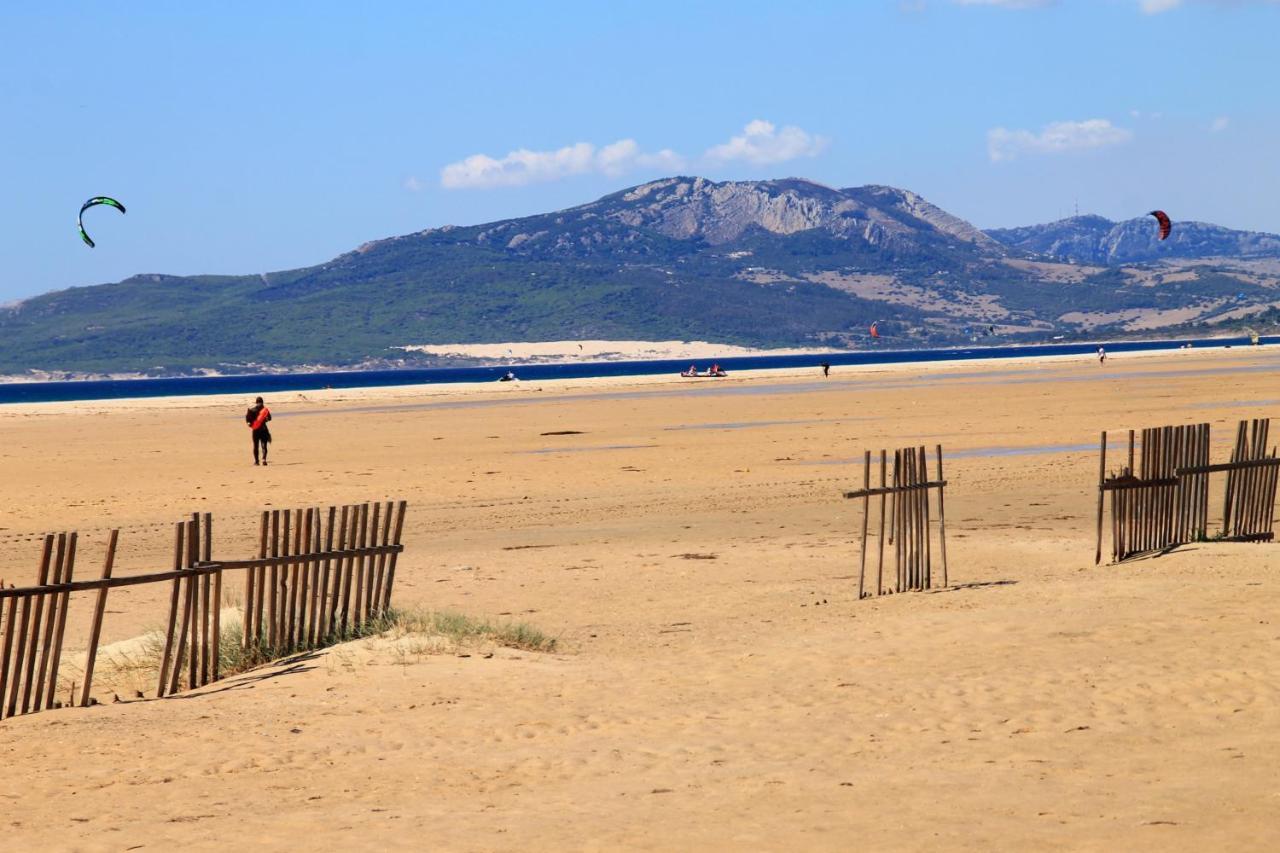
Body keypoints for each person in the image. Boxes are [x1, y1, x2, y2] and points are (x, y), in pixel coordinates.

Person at [245, 396, 272, 465]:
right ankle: (264, 459)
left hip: (255, 430)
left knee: (256, 446)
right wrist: (264, 420)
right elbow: (269, 418)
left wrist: (250, 424)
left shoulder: (252, 410)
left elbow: (248, 420)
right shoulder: (265, 410)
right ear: (262, 402)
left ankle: (256, 461)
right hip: (263, 429)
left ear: (256, 402)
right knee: (264, 445)